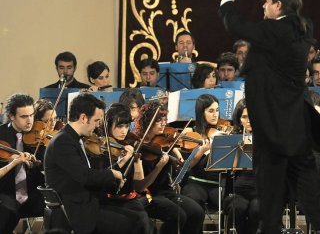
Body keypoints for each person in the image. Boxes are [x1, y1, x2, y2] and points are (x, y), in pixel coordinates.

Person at [219, 0, 320, 233]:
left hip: (271, 124)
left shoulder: (272, 30)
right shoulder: (303, 27)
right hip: (295, 123)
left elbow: (237, 26)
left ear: (278, 6)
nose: (263, 6)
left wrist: (227, 1)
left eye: (267, 2)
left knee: (270, 189)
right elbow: (287, 14)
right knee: (308, 185)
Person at [44, 93, 141, 234]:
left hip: (85, 204)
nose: (97, 126)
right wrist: (112, 173)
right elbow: (85, 176)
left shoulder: (73, 138)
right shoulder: (63, 141)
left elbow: (88, 175)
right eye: (96, 120)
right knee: (132, 223)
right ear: (83, 118)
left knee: (138, 218)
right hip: (76, 211)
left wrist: (117, 169)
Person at [138, 101, 205, 234]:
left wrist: (182, 158)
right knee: (179, 216)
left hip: (167, 192)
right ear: (148, 121)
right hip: (149, 194)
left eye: (165, 119)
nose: (164, 123)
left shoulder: (166, 142)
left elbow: (181, 164)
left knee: (197, 212)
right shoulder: (140, 145)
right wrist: (160, 164)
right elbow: (141, 184)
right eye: (159, 120)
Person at [91, 103, 153, 234]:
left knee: (145, 221)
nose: (124, 131)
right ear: (108, 125)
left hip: (129, 199)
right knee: (139, 220)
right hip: (107, 201)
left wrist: (137, 160)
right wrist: (123, 161)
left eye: (126, 126)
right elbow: (104, 181)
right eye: (119, 126)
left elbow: (139, 185)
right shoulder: (100, 148)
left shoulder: (128, 145)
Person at [0, 94, 45, 234]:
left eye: (31, 115)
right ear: (11, 116)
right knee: (8, 211)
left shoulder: (40, 137)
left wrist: (39, 163)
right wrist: (14, 161)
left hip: (32, 193)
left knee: (57, 209)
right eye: (24, 117)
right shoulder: (1, 135)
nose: (30, 121)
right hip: (6, 193)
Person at [222, 99, 259, 234]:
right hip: (236, 192)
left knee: (257, 208)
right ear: (239, 119)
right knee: (238, 207)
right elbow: (222, 167)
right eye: (244, 117)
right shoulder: (232, 140)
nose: (249, 120)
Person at [181, 94, 223, 210]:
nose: (215, 115)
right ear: (201, 112)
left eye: (217, 110)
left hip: (217, 184)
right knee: (194, 199)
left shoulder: (221, 134)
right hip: (195, 183)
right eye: (211, 111)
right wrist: (202, 151)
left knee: (230, 201)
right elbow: (185, 167)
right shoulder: (190, 132)